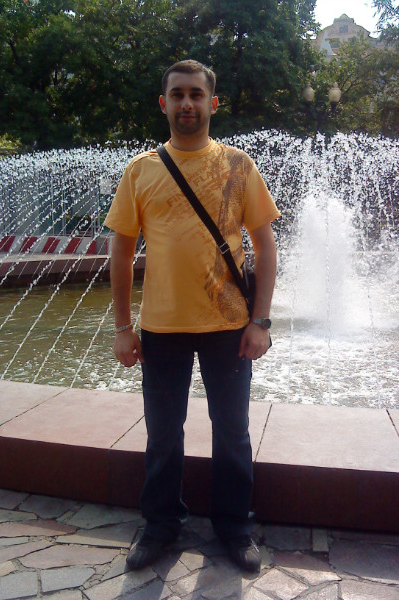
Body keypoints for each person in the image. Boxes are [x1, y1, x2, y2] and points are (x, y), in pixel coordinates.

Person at [104, 60, 280, 572]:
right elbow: (120, 253)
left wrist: (261, 321)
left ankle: (234, 526)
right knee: (163, 434)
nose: (187, 103)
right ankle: (160, 525)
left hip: (230, 326)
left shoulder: (239, 166)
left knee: (232, 431)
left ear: (212, 103)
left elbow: (266, 246)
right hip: (162, 328)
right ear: (164, 104)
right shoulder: (141, 170)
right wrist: (122, 327)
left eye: (196, 95)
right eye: (178, 95)